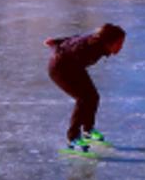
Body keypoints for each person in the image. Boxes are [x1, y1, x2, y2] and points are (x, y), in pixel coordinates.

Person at [45, 23, 126, 153]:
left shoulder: (97, 42)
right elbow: (71, 45)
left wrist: (56, 40)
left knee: (93, 96)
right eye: (119, 43)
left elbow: (75, 38)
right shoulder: (88, 47)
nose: (121, 47)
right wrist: (55, 45)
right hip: (60, 69)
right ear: (109, 41)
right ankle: (73, 138)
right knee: (83, 98)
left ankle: (88, 131)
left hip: (74, 67)